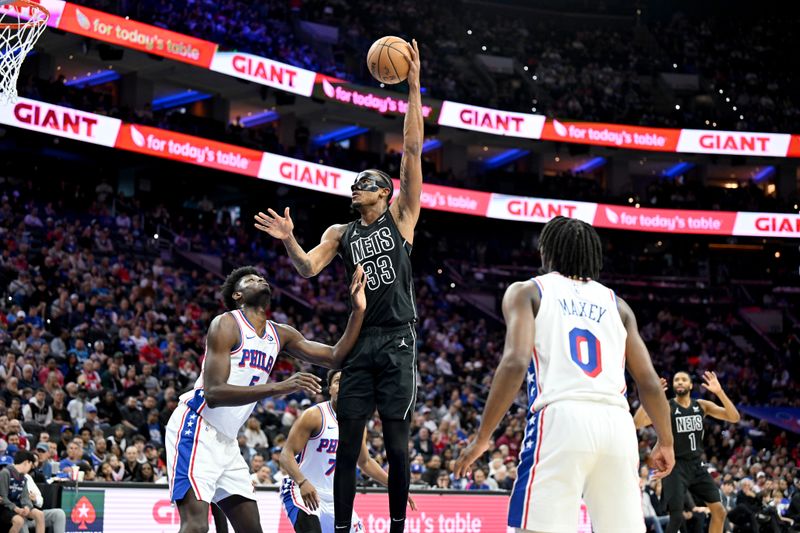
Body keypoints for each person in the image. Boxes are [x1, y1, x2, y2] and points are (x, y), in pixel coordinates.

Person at [256, 40, 423, 533]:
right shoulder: (339, 233)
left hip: (397, 338)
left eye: (365, 182)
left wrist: (413, 85)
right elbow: (307, 269)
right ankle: (345, 529)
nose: (355, 187)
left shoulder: (402, 216)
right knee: (348, 444)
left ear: (384, 192)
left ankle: (395, 526)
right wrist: (289, 240)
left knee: (395, 442)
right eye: (354, 183)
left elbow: (412, 148)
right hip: (359, 343)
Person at [454, 216, 675, 532]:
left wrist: (483, 437)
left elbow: (515, 362)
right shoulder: (618, 305)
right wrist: (665, 441)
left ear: (547, 252)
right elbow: (650, 383)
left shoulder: (527, 291)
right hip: (618, 425)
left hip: (561, 419)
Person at [166, 265, 367, 533]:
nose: (260, 279)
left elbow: (334, 356)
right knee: (196, 526)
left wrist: (358, 311)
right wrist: (279, 387)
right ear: (238, 295)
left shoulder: (280, 334)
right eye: (250, 279)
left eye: (261, 276)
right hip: (196, 427)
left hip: (227, 441)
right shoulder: (226, 324)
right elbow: (213, 394)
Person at [280, 369, 416, 533]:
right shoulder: (314, 415)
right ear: (330, 388)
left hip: (337, 498)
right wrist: (302, 482)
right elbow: (285, 455)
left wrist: (396, 487)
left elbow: (365, 462)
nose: (343, 385)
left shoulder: (358, 424)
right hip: (302, 489)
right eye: (337, 381)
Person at [634, 371, 740, 533]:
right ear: (674, 386)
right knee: (676, 518)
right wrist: (650, 398)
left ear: (690, 385)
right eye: (677, 380)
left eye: (684, 379)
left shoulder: (702, 405)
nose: (680, 382)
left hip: (697, 465)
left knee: (719, 512)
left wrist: (719, 392)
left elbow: (734, 417)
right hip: (675, 466)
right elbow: (638, 422)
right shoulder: (667, 407)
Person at [0, 450, 46, 533]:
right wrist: (17, 509)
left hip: (19, 506)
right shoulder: (5, 473)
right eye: (30, 465)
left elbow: (25, 496)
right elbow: (3, 498)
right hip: (6, 507)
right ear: (26, 462)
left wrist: (27, 507)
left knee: (40, 514)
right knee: (19, 521)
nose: (30, 469)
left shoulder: (24, 477)